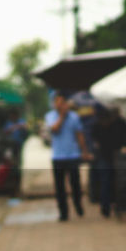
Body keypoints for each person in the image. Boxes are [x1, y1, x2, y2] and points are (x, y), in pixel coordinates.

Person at [43, 92, 90, 221]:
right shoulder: (50, 116)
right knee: (60, 187)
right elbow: (55, 129)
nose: (60, 105)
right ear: (54, 104)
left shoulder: (74, 117)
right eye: (57, 102)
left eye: (62, 102)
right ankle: (63, 213)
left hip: (73, 155)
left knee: (75, 184)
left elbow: (79, 135)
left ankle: (78, 206)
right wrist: (62, 116)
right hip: (58, 157)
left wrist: (84, 151)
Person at [92, 108, 126, 217]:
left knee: (115, 182)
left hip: (116, 157)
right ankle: (107, 207)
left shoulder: (119, 123)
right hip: (106, 157)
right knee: (107, 182)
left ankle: (116, 206)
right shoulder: (100, 124)